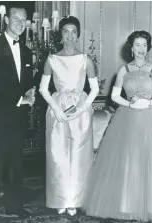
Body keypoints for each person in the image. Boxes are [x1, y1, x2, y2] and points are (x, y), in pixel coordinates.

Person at [83, 30, 152, 222]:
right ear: (131, 48)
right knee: (128, 159)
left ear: (148, 48)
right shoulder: (124, 70)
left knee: (149, 160)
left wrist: (147, 103)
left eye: (144, 45)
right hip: (127, 118)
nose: (141, 49)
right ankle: (127, 204)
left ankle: (151, 205)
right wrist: (130, 104)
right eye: (137, 45)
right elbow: (115, 96)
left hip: (150, 118)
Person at [0, 5, 35, 223]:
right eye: (16, 19)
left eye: (24, 20)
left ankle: (14, 206)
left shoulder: (28, 51)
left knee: (15, 165)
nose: (20, 23)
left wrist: (31, 92)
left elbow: (27, 82)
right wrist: (21, 98)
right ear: (6, 21)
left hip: (17, 118)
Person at [39, 16, 99, 216]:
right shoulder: (52, 59)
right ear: (60, 34)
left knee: (80, 156)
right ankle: (61, 198)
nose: (70, 36)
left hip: (80, 111)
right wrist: (56, 109)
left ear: (78, 34)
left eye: (74, 31)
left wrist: (82, 109)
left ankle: (76, 199)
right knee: (59, 155)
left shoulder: (85, 59)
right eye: (66, 31)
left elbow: (95, 89)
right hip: (58, 111)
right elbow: (43, 89)